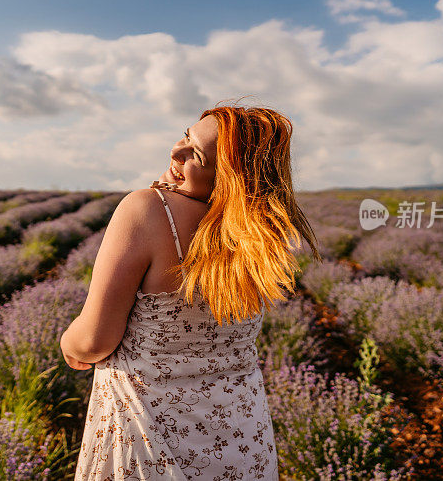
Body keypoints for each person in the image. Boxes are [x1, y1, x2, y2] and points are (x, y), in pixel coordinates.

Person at [60, 102, 321, 480]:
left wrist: (70, 342)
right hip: (242, 441)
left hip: (146, 437)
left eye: (195, 154)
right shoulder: (258, 238)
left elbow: (94, 341)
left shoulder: (147, 210)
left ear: (229, 179)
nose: (175, 152)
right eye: (185, 136)